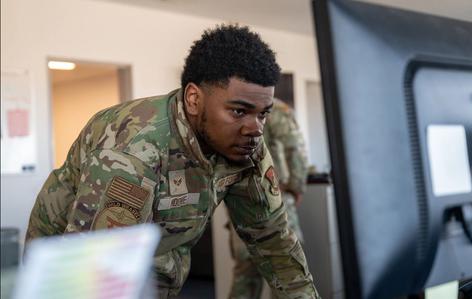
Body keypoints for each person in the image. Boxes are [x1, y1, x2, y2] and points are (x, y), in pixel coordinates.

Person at [25, 24, 319, 298]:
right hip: (71, 274)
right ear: (193, 99)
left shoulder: (244, 144)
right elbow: (94, 273)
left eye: (263, 113)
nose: (255, 129)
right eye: (239, 111)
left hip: (160, 269)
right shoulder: (135, 149)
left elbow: (273, 240)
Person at [228, 98, 309, 299]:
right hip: (274, 195)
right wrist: (296, 186)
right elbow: (295, 148)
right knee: (287, 267)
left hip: (239, 196)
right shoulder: (276, 109)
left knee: (246, 270)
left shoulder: (232, 107)